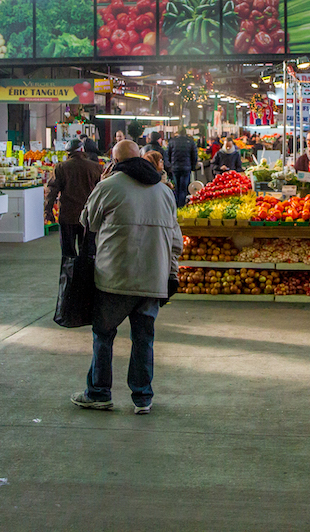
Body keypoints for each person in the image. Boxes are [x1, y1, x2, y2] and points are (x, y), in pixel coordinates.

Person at [72, 141, 181, 415]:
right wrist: (172, 273)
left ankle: (99, 393)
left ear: (115, 161)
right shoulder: (164, 191)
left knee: (103, 335)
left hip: (115, 278)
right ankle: (142, 398)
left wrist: (101, 183)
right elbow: (175, 240)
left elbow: (88, 221)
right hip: (153, 278)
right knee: (144, 339)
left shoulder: (108, 186)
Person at [46, 139, 104, 260]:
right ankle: (86, 271)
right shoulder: (95, 167)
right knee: (87, 252)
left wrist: (48, 210)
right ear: (82, 150)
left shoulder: (61, 167)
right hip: (88, 215)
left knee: (68, 252)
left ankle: (69, 271)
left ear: (68, 152)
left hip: (67, 215)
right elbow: (101, 192)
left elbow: (52, 191)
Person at [166, 128, 198, 207]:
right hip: (186, 168)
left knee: (176, 188)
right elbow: (194, 156)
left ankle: (176, 205)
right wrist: (193, 167)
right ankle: (181, 206)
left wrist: (170, 165)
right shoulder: (190, 142)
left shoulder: (172, 141)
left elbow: (168, 155)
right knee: (183, 188)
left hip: (175, 168)